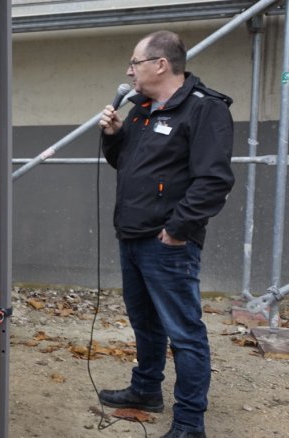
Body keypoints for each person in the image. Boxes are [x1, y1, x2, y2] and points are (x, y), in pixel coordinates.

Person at [97, 31, 234, 438]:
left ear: (160, 64)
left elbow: (213, 181)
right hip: (132, 235)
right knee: (145, 322)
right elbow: (125, 163)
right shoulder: (141, 110)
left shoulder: (203, 109)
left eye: (134, 63)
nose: (129, 72)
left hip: (167, 242)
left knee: (184, 333)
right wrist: (113, 135)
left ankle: (189, 422)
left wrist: (177, 230)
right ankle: (146, 389)